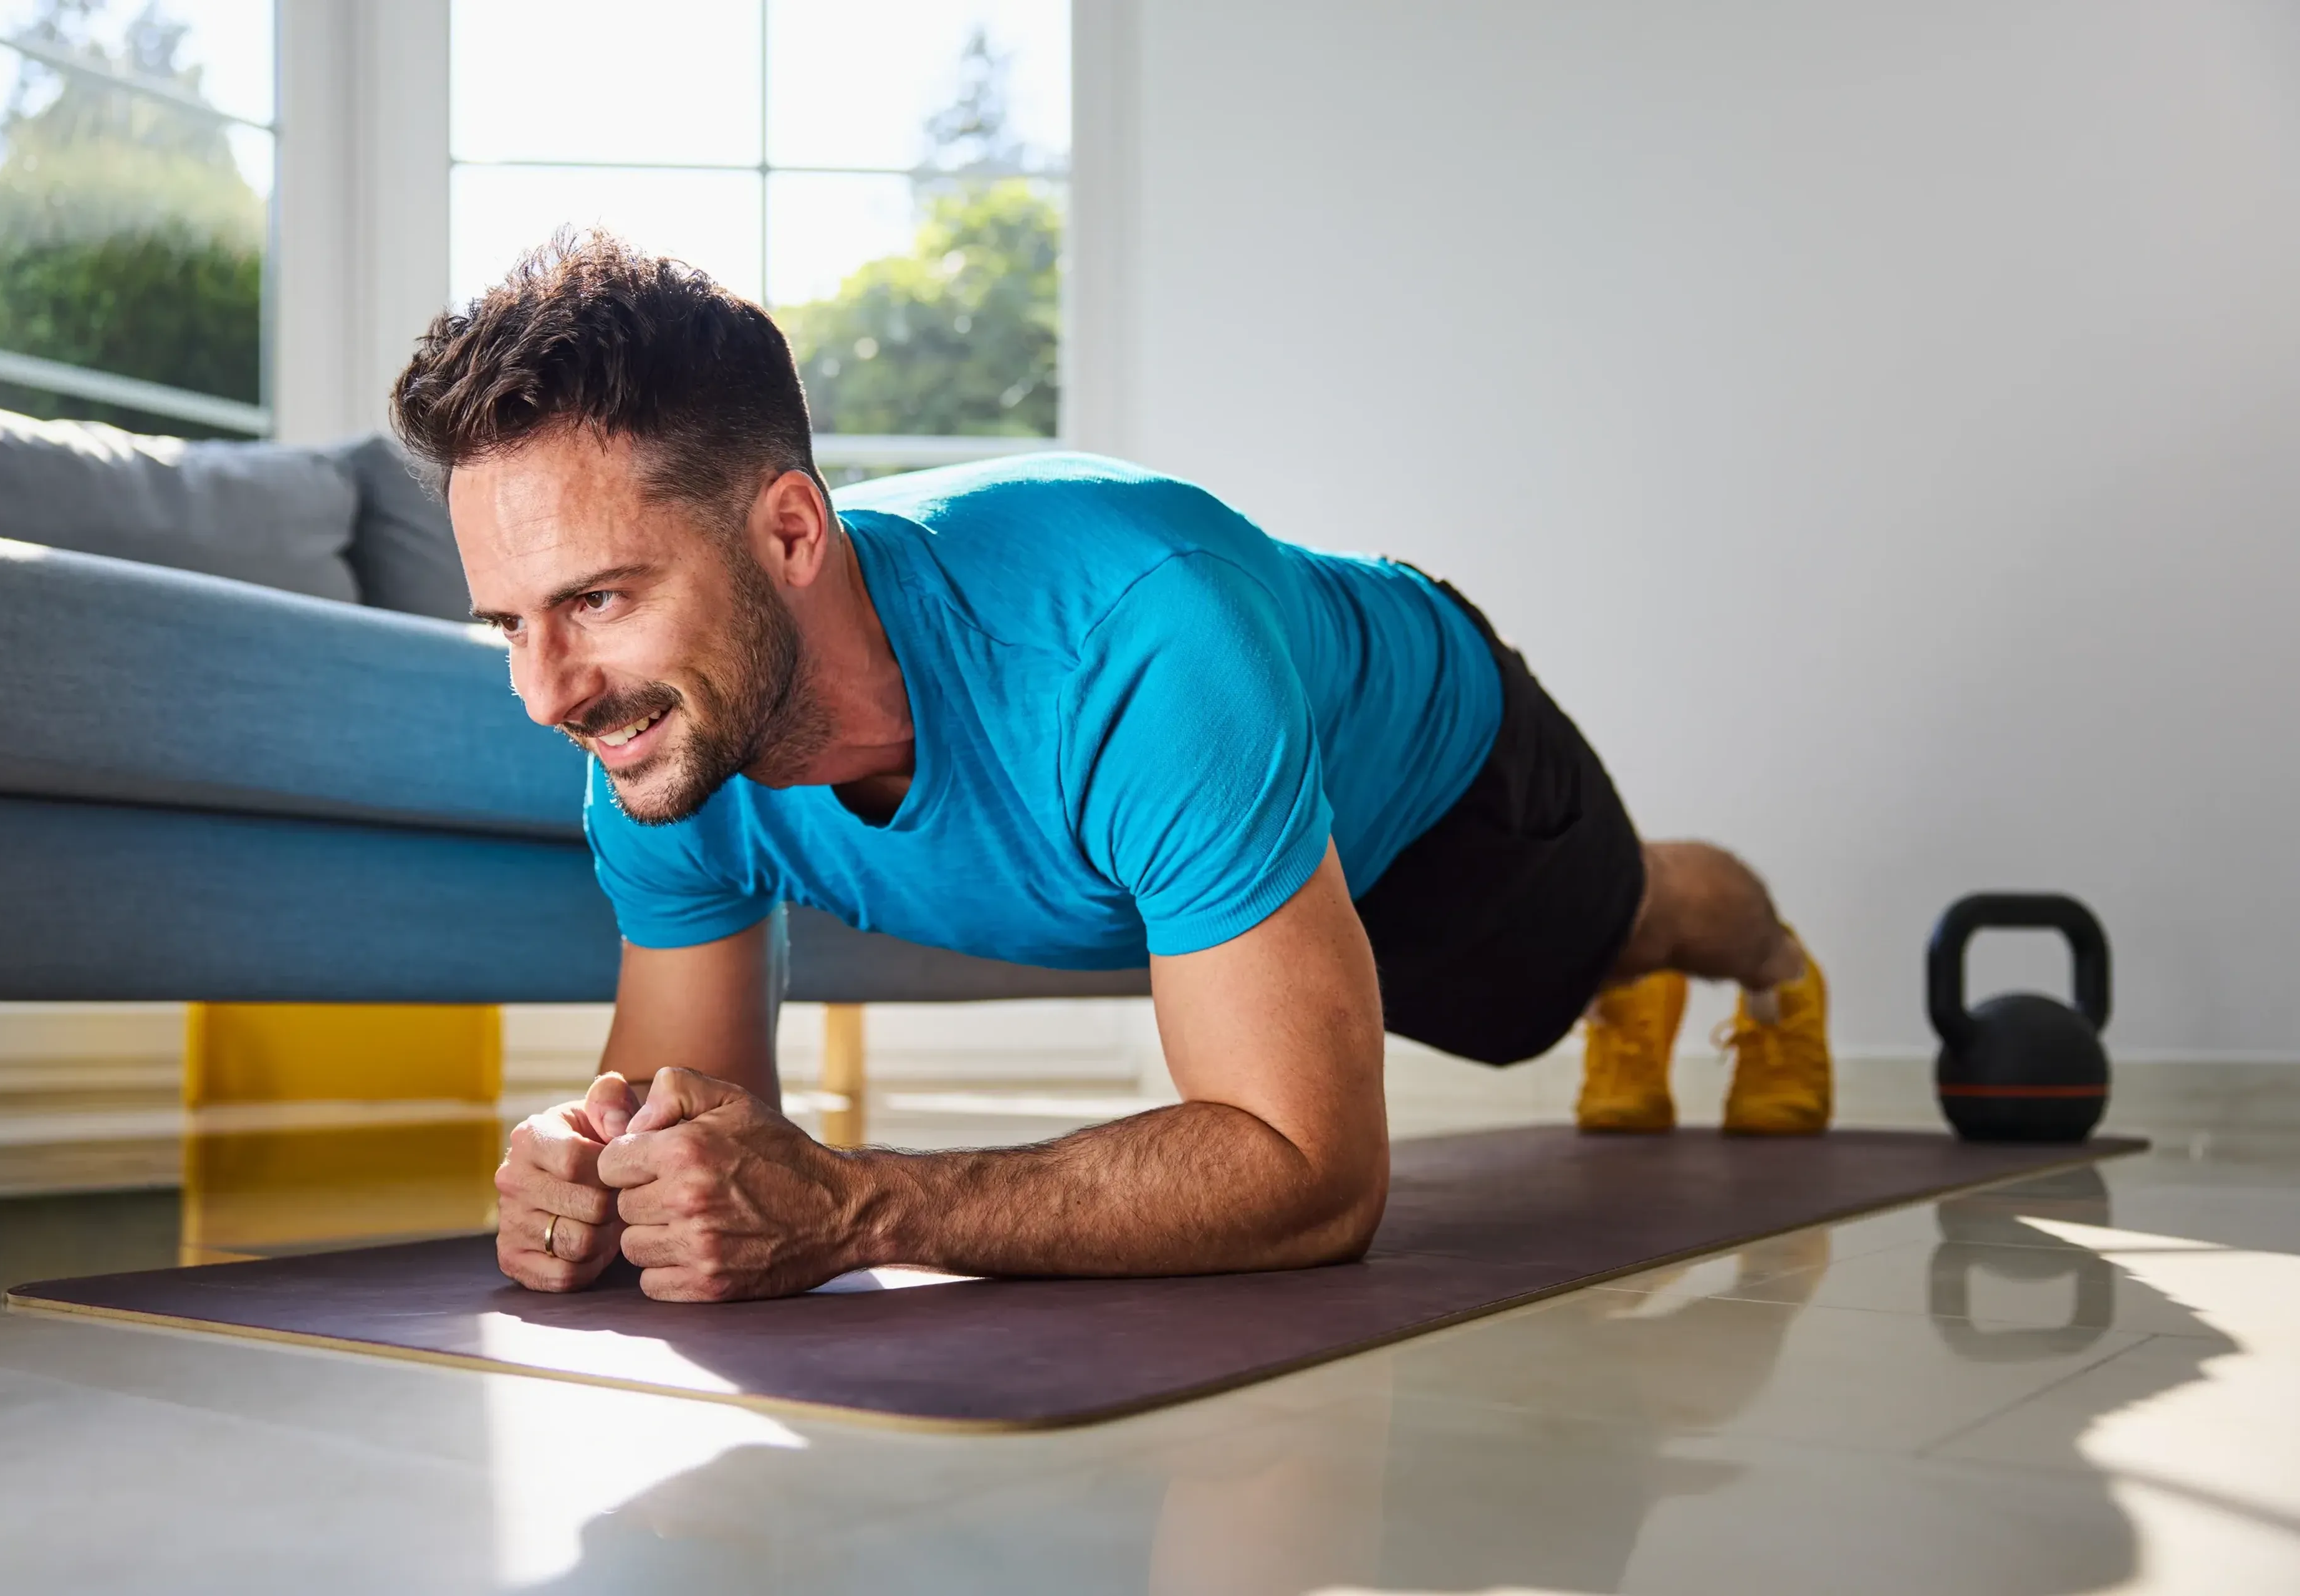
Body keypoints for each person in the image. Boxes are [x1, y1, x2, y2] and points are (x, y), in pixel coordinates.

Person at [390, 234, 1831, 1304]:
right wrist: (594, 1177)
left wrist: (856, 1205)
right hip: (1205, 832)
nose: (547, 691)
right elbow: (686, 1113)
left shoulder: (1140, 639)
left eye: (597, 599)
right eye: (510, 622)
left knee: (1602, 940)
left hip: (1437, 783)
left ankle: (1766, 966)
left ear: (787, 534)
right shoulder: (650, 735)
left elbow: (1313, 1175)